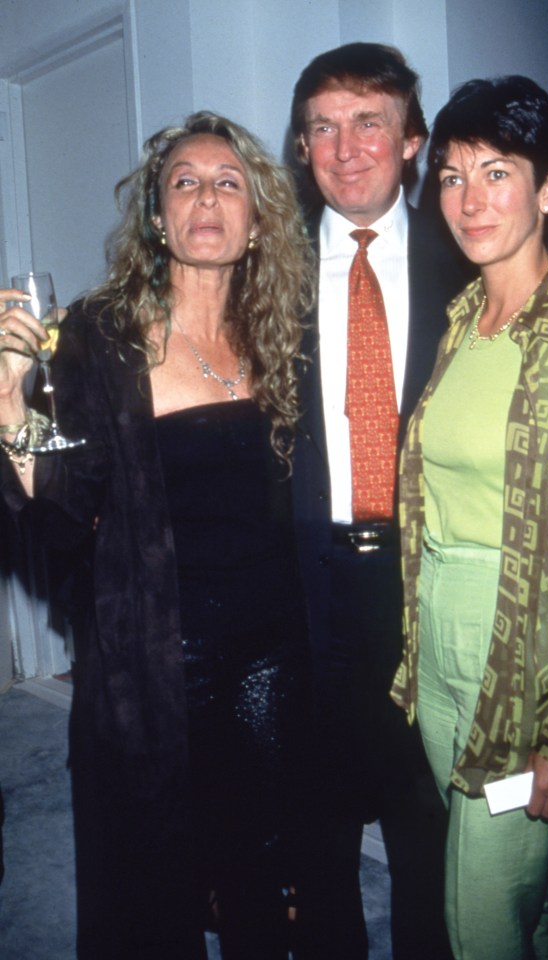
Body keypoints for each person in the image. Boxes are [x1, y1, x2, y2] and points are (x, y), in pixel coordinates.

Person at [0, 111, 315, 960]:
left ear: (255, 221)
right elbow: (63, 511)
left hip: (270, 659)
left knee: (262, 878)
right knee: (148, 893)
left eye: (226, 182)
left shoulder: (286, 333)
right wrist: (6, 405)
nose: (205, 198)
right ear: (156, 215)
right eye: (183, 182)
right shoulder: (101, 338)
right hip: (153, 662)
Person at [391, 75, 548, 959]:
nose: (469, 200)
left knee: (477, 919)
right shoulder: (461, 319)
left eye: (496, 173)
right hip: (440, 644)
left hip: (528, 653)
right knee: (529, 899)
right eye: (454, 176)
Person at [289, 42, 466, 960]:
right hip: (301, 588)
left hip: (422, 583)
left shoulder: (468, 264)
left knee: (422, 831)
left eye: (369, 122)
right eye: (323, 124)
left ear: (411, 143)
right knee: (313, 837)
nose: (344, 146)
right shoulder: (262, 271)